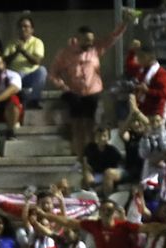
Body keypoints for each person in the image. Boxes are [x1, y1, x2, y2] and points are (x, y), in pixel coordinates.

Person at [48, 13, 133, 157]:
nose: (90, 43)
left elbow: (113, 37)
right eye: (87, 40)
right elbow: (52, 73)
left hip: (93, 92)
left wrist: (124, 23)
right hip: (74, 93)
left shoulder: (96, 49)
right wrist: (62, 85)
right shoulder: (65, 53)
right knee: (76, 127)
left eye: (91, 40)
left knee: (91, 126)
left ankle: (92, 157)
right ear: (79, 38)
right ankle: (80, 158)